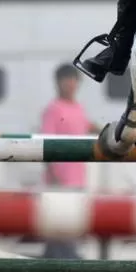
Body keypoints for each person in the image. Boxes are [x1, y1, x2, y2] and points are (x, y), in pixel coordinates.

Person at [39, 63, 96, 259]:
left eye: (73, 80)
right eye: (66, 80)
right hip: (60, 176)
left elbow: (87, 127)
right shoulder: (53, 109)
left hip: (77, 175)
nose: (70, 84)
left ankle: (54, 263)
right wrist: (53, 172)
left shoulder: (79, 108)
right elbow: (45, 141)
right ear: (58, 84)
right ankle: (68, 260)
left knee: (70, 220)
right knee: (60, 221)